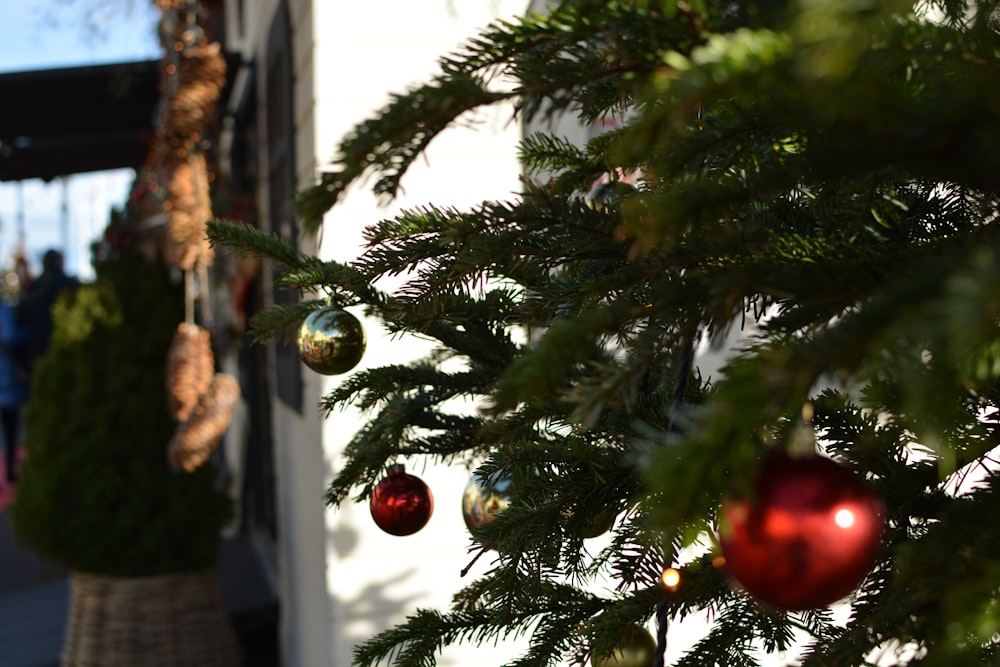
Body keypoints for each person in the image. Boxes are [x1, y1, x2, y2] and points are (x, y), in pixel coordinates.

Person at [16, 249, 80, 385]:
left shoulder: (35, 287)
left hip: (37, 348)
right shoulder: (67, 284)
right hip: (60, 346)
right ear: (58, 263)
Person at [0, 298, 27, 486]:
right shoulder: (5, 311)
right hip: (6, 379)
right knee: (10, 429)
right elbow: (11, 337)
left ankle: (9, 473)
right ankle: (10, 472)